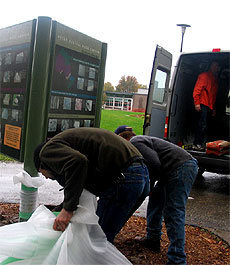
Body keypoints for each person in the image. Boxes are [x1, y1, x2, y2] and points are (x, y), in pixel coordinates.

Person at [33, 127, 150, 243]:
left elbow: (78, 162)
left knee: (96, 239)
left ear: (43, 163)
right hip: (141, 173)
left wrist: (67, 210)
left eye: (41, 172)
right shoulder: (69, 145)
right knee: (104, 236)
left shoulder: (46, 152)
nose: (45, 177)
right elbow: (79, 186)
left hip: (125, 176)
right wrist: (60, 209)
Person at [115, 126, 198, 265]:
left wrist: (151, 184)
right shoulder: (139, 142)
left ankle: (177, 259)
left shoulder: (136, 142)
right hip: (172, 169)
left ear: (123, 138)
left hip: (182, 166)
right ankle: (152, 239)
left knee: (174, 212)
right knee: (156, 202)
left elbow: (153, 162)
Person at [193, 61, 220, 151]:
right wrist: (197, 103)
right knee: (202, 124)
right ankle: (197, 143)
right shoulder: (204, 76)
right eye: (215, 66)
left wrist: (213, 108)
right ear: (211, 66)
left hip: (209, 106)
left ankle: (203, 143)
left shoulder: (214, 79)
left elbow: (213, 95)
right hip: (203, 104)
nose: (216, 68)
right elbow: (197, 90)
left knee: (206, 125)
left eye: (217, 67)